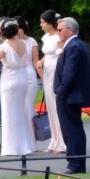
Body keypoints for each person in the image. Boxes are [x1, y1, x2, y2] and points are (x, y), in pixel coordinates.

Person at [0, 19, 36, 156]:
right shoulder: (24, 43)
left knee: (9, 112)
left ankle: (11, 147)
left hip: (9, 79)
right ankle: (24, 145)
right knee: (20, 111)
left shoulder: (4, 47)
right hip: (22, 78)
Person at [54, 17, 90, 174]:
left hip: (69, 95)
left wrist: (61, 91)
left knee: (70, 130)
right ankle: (78, 163)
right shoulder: (76, 44)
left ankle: (75, 164)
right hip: (72, 94)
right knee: (75, 129)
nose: (58, 32)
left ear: (70, 30)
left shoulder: (74, 46)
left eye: (60, 30)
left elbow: (70, 72)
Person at [37, 9, 66, 153]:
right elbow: (48, 53)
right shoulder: (45, 37)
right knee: (50, 105)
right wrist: (42, 60)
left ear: (50, 23)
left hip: (56, 70)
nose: (41, 25)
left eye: (43, 22)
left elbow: (60, 54)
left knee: (56, 105)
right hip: (47, 70)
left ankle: (62, 142)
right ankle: (54, 140)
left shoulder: (59, 37)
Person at [14, 16, 40, 120]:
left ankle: (30, 127)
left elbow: (35, 61)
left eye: (19, 28)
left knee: (28, 104)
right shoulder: (10, 42)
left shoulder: (31, 41)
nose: (17, 31)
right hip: (15, 75)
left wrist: (44, 78)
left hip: (29, 74)